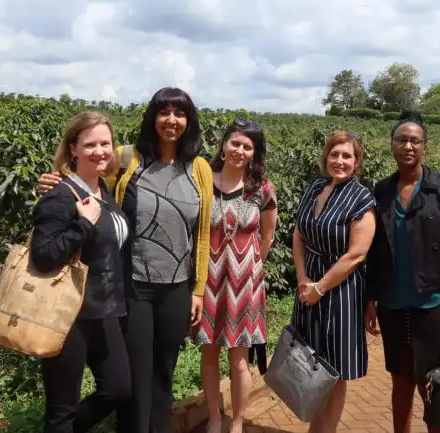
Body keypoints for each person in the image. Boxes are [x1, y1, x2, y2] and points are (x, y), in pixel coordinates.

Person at [37, 87, 213, 433]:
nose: (172, 120)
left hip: (176, 287)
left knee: (163, 370)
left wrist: (199, 289)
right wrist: (54, 179)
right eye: (164, 112)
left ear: (189, 121)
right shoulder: (129, 159)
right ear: (153, 117)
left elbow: (203, 233)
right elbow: (86, 177)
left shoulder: (199, 169)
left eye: (180, 113)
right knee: (134, 376)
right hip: (132, 284)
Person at [364, 113, 440, 433]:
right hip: (393, 305)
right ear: (392, 145)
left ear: (424, 147)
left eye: (415, 140)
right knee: (400, 380)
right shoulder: (381, 191)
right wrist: (370, 300)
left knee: (434, 382)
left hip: (432, 304)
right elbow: (373, 252)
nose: (407, 145)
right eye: (401, 139)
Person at [30, 111, 131, 433]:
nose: (100, 151)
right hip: (67, 315)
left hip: (104, 310)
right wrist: (82, 224)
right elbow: (44, 256)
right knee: (62, 406)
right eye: (90, 144)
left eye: (106, 143)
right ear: (73, 148)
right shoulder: (60, 195)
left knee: (118, 387)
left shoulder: (104, 188)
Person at [192, 119, 278, 433]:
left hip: (245, 284)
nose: (239, 151)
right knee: (209, 352)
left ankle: (237, 422)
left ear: (254, 154)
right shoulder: (202, 182)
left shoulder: (262, 190)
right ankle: (215, 418)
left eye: (247, 147)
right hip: (208, 281)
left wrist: (247, 268)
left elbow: (267, 237)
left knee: (240, 358)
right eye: (235, 143)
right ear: (224, 145)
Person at [290, 131, 377, 433]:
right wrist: (303, 279)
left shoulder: (361, 197)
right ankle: (315, 423)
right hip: (308, 284)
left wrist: (320, 287)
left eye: (347, 156)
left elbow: (356, 255)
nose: (339, 161)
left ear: (356, 162)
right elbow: (299, 233)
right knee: (309, 360)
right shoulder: (315, 187)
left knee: (334, 369)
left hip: (340, 290)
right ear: (326, 157)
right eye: (334, 154)